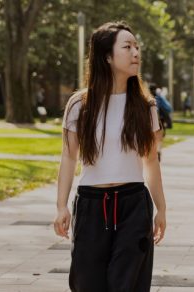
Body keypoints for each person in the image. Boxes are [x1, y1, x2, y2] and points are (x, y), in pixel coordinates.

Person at [53, 21, 167, 292]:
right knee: (87, 282)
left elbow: (150, 161)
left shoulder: (145, 106)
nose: (136, 52)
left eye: (137, 46)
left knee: (127, 283)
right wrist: (61, 206)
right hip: (91, 204)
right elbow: (69, 158)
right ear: (106, 56)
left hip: (133, 205)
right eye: (127, 47)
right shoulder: (80, 105)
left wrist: (162, 208)